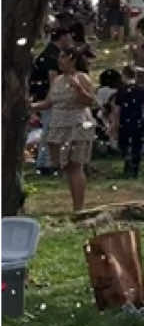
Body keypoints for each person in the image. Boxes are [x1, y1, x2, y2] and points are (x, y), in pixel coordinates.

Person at [36, 48, 97, 211]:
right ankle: (75, 202)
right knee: (66, 166)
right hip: (59, 124)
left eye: (62, 57)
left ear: (72, 59)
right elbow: (48, 102)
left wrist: (79, 89)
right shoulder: (57, 80)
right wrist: (29, 106)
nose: (59, 60)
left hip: (77, 123)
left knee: (75, 165)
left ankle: (79, 208)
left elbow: (90, 101)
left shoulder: (82, 77)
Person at [29, 26, 72, 175]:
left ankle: (44, 162)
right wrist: (52, 99)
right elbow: (53, 80)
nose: (71, 40)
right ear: (62, 38)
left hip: (44, 95)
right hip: (48, 97)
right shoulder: (51, 56)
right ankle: (46, 164)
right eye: (68, 37)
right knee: (50, 131)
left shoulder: (50, 54)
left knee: (49, 130)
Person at [109, 66, 144, 178]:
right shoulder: (141, 90)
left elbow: (117, 110)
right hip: (137, 121)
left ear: (123, 76)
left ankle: (127, 166)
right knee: (137, 145)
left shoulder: (121, 91)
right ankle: (135, 169)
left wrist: (114, 124)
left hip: (125, 121)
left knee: (125, 144)